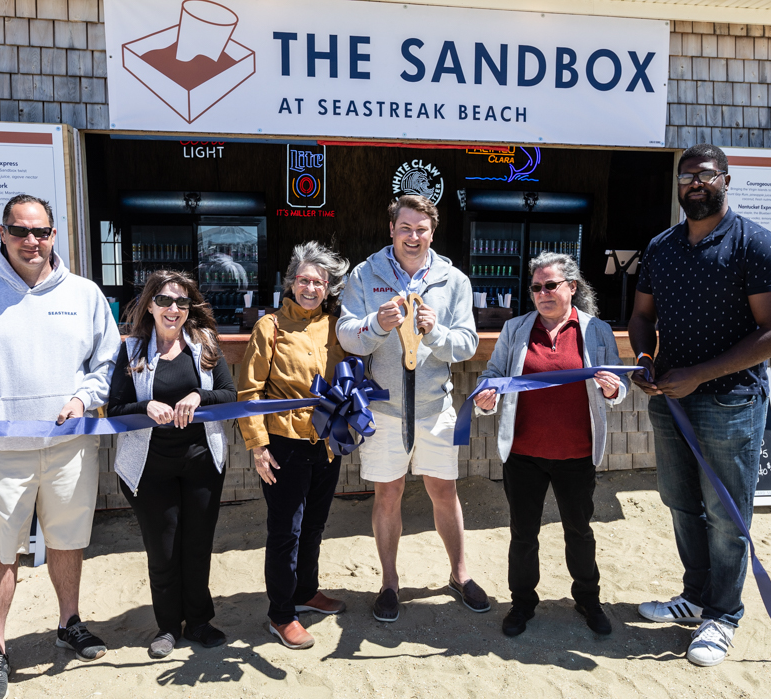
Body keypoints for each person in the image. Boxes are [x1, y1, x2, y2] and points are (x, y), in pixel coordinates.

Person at [0, 194, 122, 699]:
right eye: (20, 231)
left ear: (54, 235)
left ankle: (69, 623)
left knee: (68, 540)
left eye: (40, 232)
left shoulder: (84, 294)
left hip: (68, 446)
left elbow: (105, 362)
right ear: (3, 234)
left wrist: (83, 399)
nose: (31, 241)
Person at [629, 143, 771, 666]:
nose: (694, 183)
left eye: (705, 175)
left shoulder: (753, 245)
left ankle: (724, 615)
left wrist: (698, 375)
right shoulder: (662, 247)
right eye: (687, 176)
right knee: (681, 503)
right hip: (671, 402)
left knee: (726, 515)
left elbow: (769, 331)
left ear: (726, 180)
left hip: (730, 403)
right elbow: (642, 315)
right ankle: (696, 598)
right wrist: (646, 359)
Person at [337, 194, 489, 622]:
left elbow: (468, 344)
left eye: (421, 229)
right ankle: (389, 583)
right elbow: (347, 334)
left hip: (434, 409)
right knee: (388, 492)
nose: (413, 236)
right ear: (391, 229)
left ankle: (460, 575)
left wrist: (436, 333)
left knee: (445, 492)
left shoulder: (453, 280)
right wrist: (374, 325)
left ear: (432, 232)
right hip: (383, 411)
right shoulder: (366, 274)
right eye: (405, 228)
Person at [474, 252, 629, 638]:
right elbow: (493, 375)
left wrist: (614, 389)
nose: (542, 293)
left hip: (577, 454)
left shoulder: (597, 331)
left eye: (551, 285)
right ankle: (522, 603)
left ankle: (588, 601)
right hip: (524, 453)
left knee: (579, 531)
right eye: (536, 287)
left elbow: (618, 387)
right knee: (523, 534)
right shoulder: (515, 329)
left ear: (571, 288)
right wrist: (485, 395)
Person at [107, 270, 236, 658]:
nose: (173, 309)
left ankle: (198, 620)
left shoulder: (206, 344)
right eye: (164, 300)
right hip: (149, 468)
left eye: (182, 302)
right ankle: (167, 627)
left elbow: (229, 394)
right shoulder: (131, 351)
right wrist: (146, 406)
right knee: (163, 550)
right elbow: (114, 409)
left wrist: (199, 396)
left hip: (201, 462)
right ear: (150, 305)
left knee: (197, 547)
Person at [237, 241, 350, 650]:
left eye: (318, 282)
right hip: (283, 444)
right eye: (304, 280)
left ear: (328, 288)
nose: (310, 288)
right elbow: (249, 391)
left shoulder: (336, 325)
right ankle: (281, 613)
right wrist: (257, 446)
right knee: (286, 530)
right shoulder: (270, 327)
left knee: (316, 525)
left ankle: (306, 591)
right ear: (291, 282)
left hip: (326, 442)